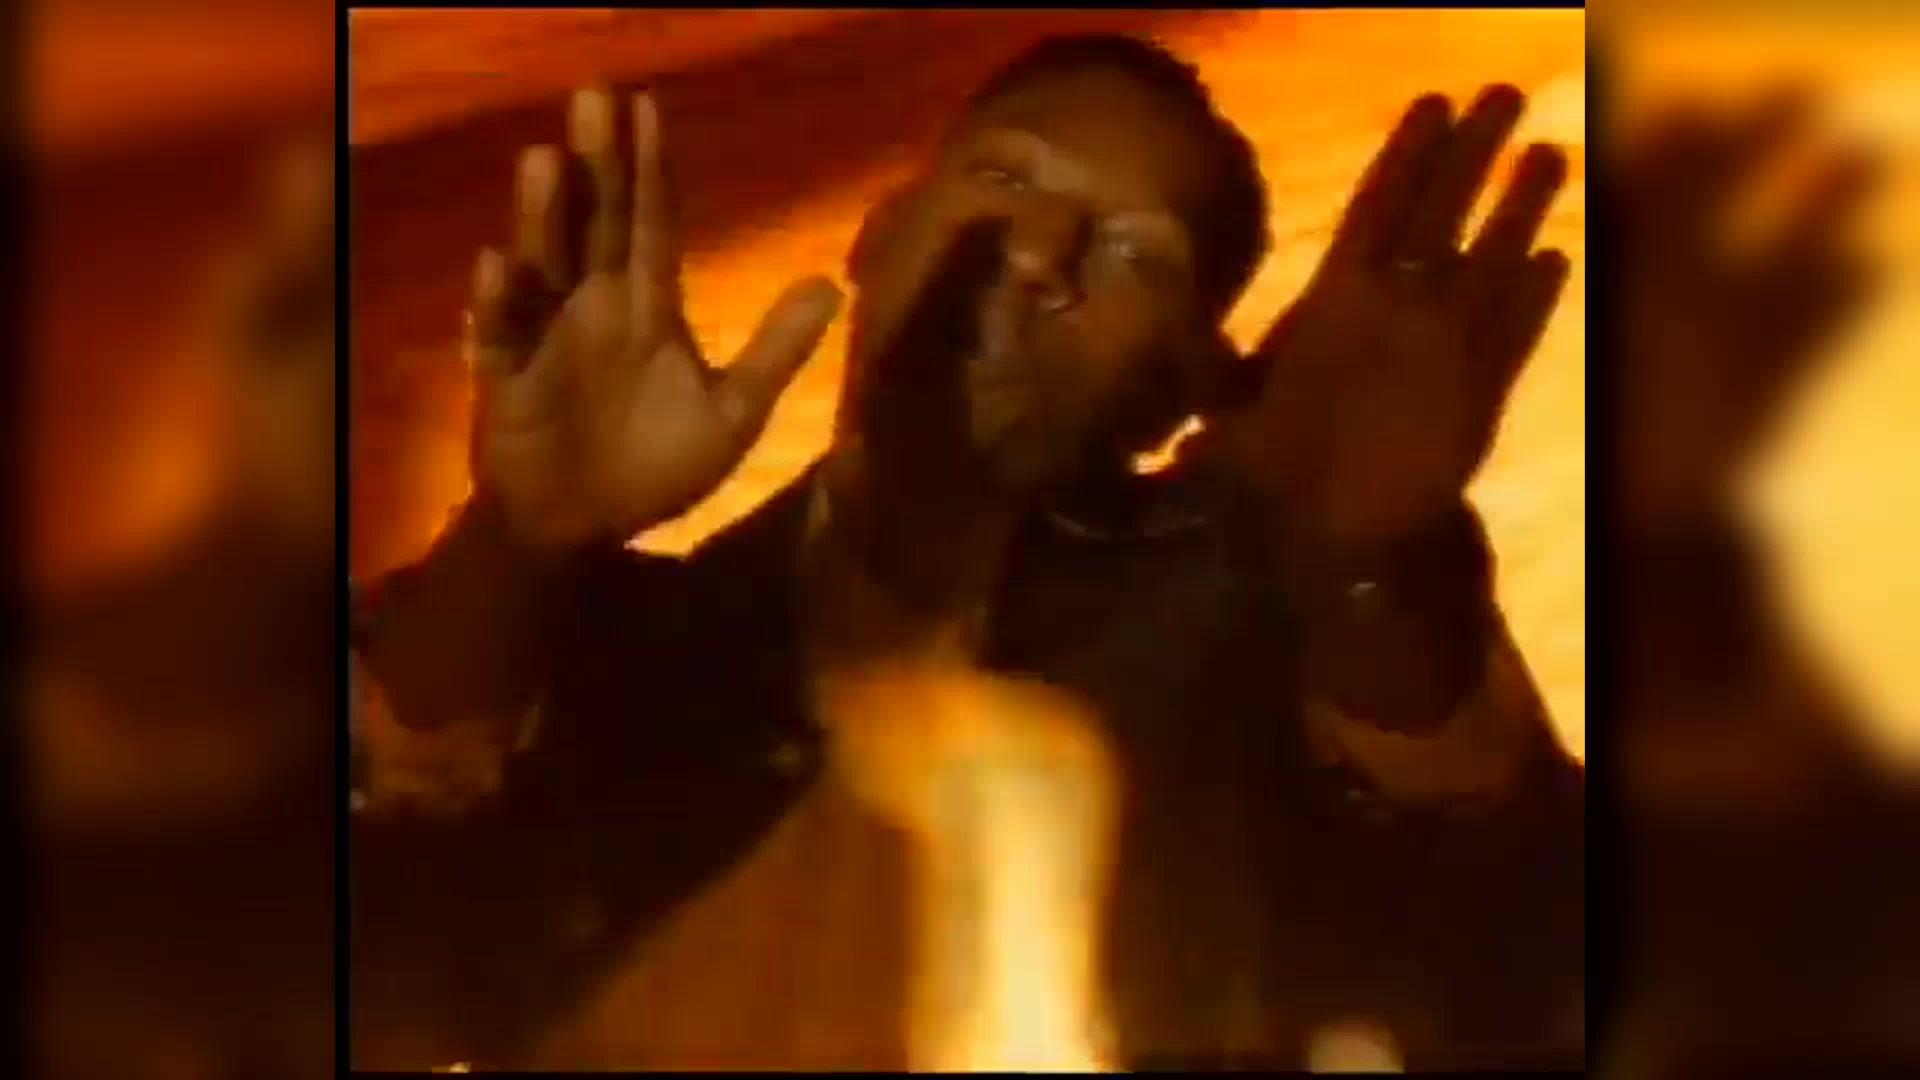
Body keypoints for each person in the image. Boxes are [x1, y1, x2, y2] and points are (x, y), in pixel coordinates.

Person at [350, 34, 1582, 1069]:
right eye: (1003, 178)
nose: (1036, 254)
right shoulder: (604, 663)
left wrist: (1376, 564)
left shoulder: (1260, 663)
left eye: (1132, 253)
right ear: (880, 233)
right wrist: (513, 545)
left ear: (1179, 389)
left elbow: (1527, 965)